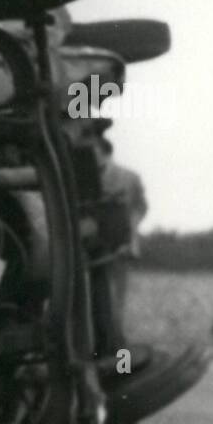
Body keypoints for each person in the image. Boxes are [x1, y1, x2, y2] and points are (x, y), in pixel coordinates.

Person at [92, 135, 147, 348]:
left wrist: (131, 234)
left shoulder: (129, 178)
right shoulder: (83, 177)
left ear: (106, 152)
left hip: (119, 248)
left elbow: (140, 208)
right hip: (92, 246)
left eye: (94, 151)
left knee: (115, 298)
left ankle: (115, 345)